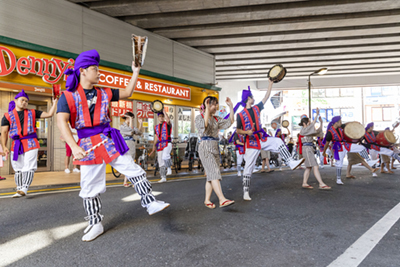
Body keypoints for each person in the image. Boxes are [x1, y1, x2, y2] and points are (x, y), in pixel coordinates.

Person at [57, 50, 169, 242]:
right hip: (87, 145)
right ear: (82, 71)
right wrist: (74, 146)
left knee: (133, 170)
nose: (98, 72)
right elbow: (61, 122)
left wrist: (135, 72)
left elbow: (128, 92)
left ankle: (150, 202)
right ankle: (95, 223)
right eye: (94, 69)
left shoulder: (104, 92)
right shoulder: (67, 96)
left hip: (108, 140)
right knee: (89, 187)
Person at [235, 82, 304, 201]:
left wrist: (270, 85)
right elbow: (238, 130)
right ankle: (245, 191)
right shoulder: (240, 115)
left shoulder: (256, 108)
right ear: (248, 99)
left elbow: (265, 98)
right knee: (248, 167)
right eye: (252, 97)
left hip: (261, 138)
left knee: (277, 141)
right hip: (251, 142)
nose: (254, 98)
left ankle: (291, 162)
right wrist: (247, 133)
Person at [1, 90, 57, 198]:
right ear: (16, 100)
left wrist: (54, 103)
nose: (24, 102)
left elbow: (49, 114)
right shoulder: (7, 116)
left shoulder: (33, 112)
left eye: (26, 101)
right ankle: (19, 188)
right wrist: (4, 146)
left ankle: (25, 188)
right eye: (22, 100)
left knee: (29, 166)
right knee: (17, 167)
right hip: (16, 143)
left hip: (31, 142)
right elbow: (4, 132)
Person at [195, 96, 235, 209]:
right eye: (212, 104)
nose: (215, 106)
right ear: (206, 105)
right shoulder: (199, 117)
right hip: (205, 147)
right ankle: (222, 199)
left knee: (211, 175)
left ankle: (207, 200)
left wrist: (231, 107)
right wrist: (207, 109)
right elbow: (205, 126)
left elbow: (230, 122)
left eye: (216, 104)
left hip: (215, 147)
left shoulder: (216, 119)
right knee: (214, 173)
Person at [322, 116, 378, 185]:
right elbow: (327, 143)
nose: (341, 123)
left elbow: (346, 123)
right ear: (336, 123)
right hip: (338, 148)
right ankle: (338, 179)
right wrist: (324, 152)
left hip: (346, 145)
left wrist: (354, 122)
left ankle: (369, 162)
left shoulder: (340, 127)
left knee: (361, 148)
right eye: (340, 121)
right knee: (339, 164)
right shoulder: (330, 132)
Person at [298, 109, 331, 190]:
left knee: (309, 167)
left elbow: (317, 131)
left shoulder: (306, 130)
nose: (310, 123)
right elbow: (313, 125)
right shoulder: (304, 130)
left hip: (308, 149)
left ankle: (305, 183)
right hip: (307, 149)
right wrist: (316, 114)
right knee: (315, 166)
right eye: (308, 122)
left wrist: (321, 122)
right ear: (304, 123)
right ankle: (321, 183)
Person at [149, 110, 172, 183]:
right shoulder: (156, 127)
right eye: (160, 116)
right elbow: (156, 137)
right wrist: (154, 145)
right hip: (159, 145)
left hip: (167, 143)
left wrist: (164, 111)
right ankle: (163, 177)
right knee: (161, 161)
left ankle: (169, 168)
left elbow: (168, 120)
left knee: (165, 156)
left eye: (163, 116)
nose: (162, 118)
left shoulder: (167, 124)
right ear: (158, 118)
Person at [120, 112, 143, 187]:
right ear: (127, 118)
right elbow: (131, 131)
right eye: (131, 118)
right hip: (126, 144)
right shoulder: (122, 126)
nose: (132, 120)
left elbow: (139, 132)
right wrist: (131, 121)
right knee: (129, 163)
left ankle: (125, 181)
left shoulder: (131, 126)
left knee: (130, 163)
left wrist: (140, 124)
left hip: (131, 144)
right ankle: (132, 181)